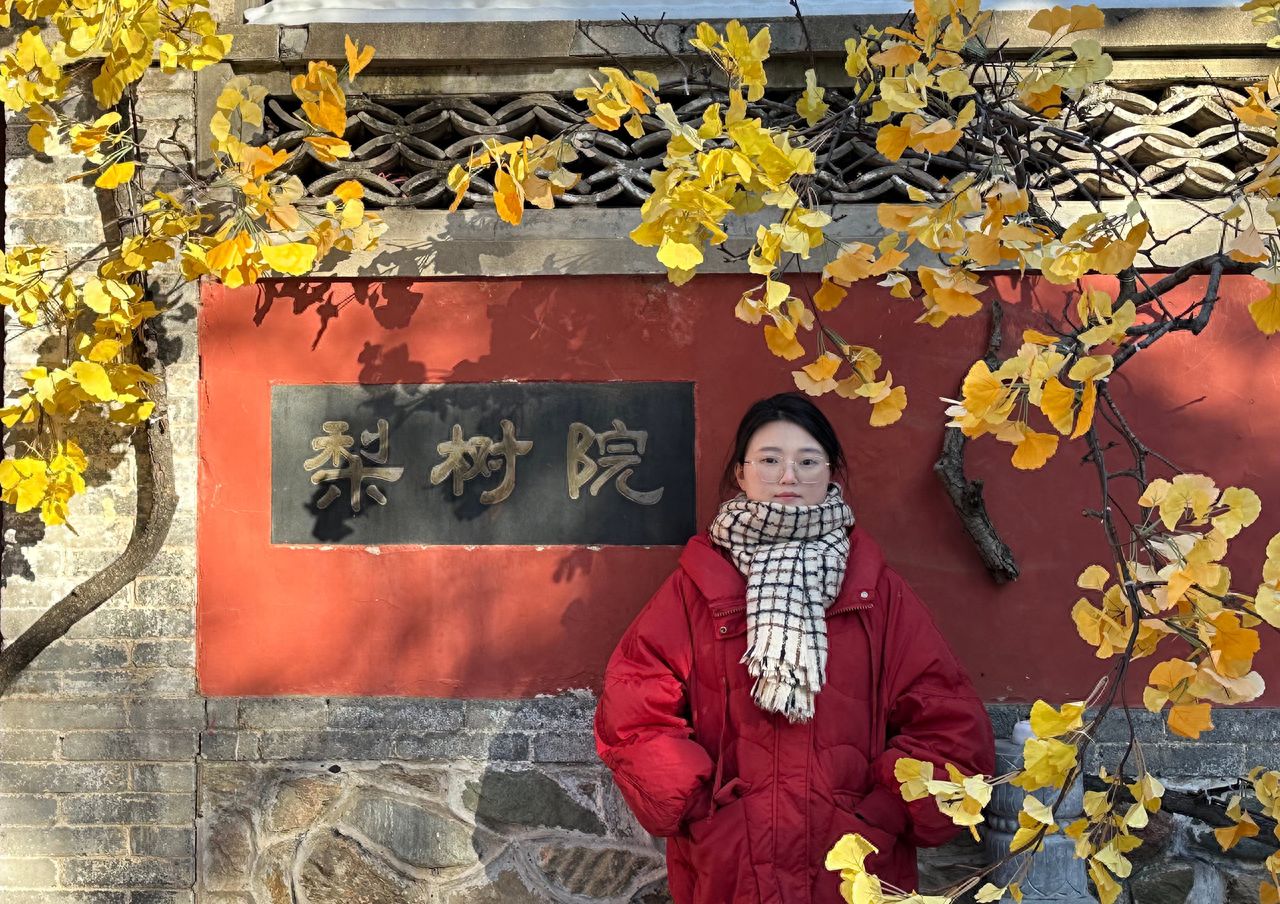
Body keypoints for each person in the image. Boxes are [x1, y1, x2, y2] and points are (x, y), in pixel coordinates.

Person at [594, 393, 996, 904]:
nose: (788, 476)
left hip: (853, 863)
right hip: (733, 864)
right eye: (769, 460)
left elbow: (949, 721)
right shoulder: (699, 586)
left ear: (832, 474)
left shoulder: (873, 590)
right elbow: (634, 709)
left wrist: (885, 813)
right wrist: (701, 810)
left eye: (807, 461)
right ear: (741, 474)